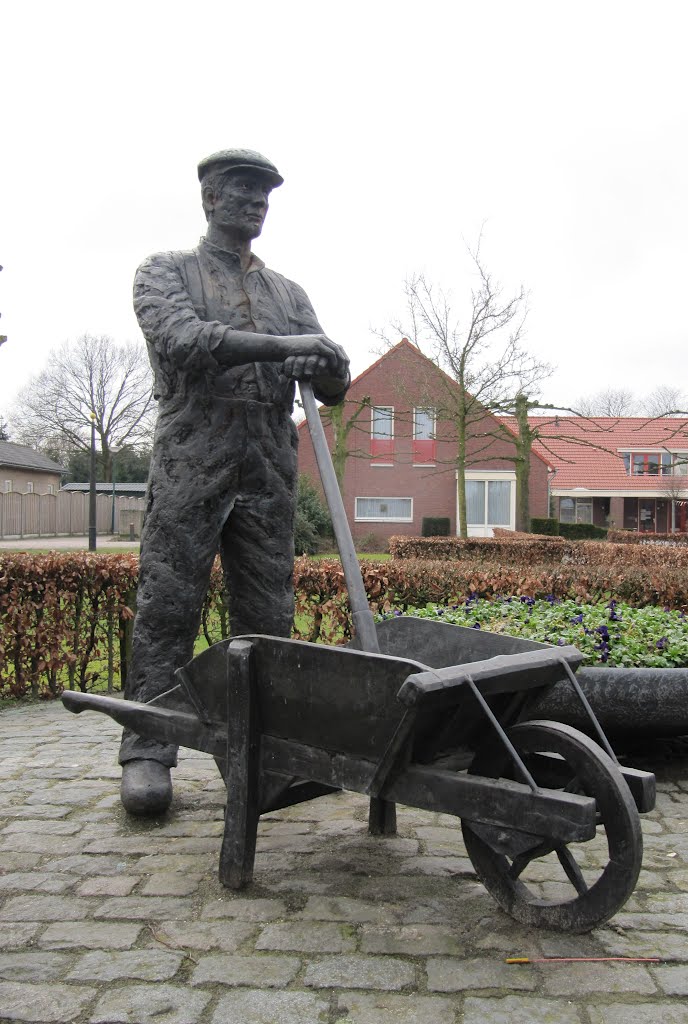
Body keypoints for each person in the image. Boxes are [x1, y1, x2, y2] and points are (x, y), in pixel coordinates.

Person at [121, 149, 350, 815]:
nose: (254, 202)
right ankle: (147, 746)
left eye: (263, 194)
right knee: (169, 601)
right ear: (210, 200)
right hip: (194, 454)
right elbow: (183, 341)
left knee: (267, 614)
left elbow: (331, 385)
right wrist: (286, 348)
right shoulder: (166, 272)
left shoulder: (288, 293)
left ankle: (256, 750)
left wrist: (329, 360)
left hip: (269, 462)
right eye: (241, 190)